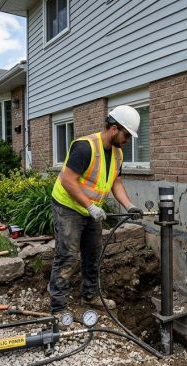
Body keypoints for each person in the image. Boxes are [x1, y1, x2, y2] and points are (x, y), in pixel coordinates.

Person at [48, 105, 144, 316]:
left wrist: (129, 206)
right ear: (113, 128)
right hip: (68, 206)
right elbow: (68, 181)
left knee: (93, 254)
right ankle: (58, 307)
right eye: (126, 135)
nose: (128, 140)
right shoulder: (85, 147)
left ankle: (90, 296)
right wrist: (90, 206)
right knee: (68, 256)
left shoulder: (118, 153)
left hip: (91, 210)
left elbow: (115, 183)